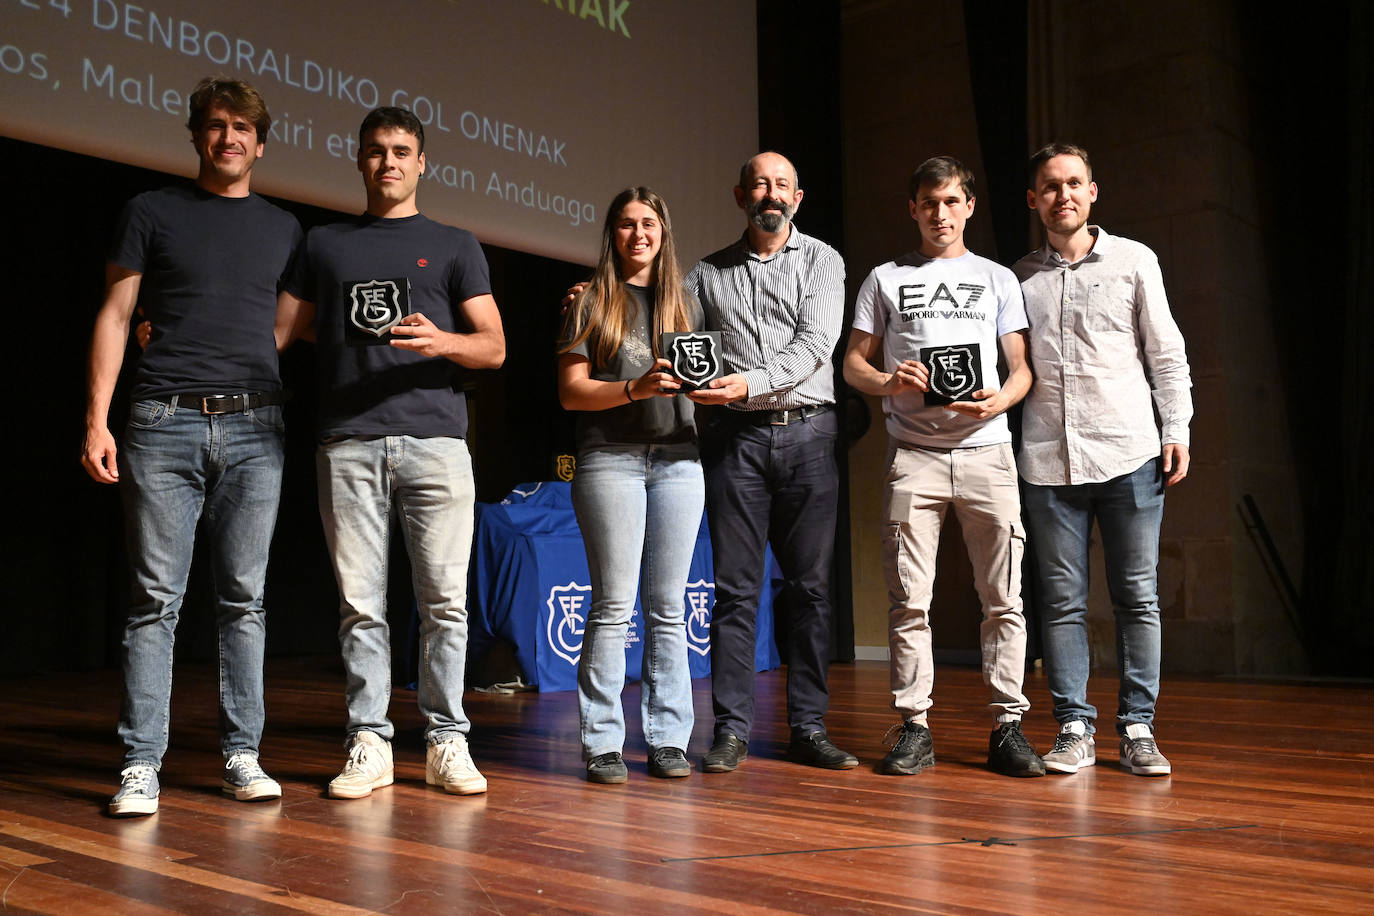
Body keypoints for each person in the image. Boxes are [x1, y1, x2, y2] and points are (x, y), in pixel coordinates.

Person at [83, 77, 302, 816]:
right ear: (196, 136)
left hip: (256, 425)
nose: (229, 137)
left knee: (244, 600)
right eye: (215, 125)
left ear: (261, 143)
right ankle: (141, 763)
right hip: (161, 421)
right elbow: (116, 317)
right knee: (154, 601)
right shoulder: (151, 211)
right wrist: (96, 419)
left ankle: (242, 755)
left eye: (243, 127)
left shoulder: (285, 228)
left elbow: (282, 329)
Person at [277, 107, 505, 798]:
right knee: (361, 605)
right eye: (375, 152)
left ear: (422, 162)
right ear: (358, 160)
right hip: (348, 443)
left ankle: (445, 740)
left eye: (402, 151)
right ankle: (369, 741)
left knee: (444, 603)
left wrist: (441, 342)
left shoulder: (456, 242)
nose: (389, 163)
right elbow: (282, 331)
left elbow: (493, 347)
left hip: (437, 442)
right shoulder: (324, 243)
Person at [843, 156, 1044, 778]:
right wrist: (887, 379)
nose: (940, 214)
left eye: (952, 202)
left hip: (988, 452)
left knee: (1004, 598)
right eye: (929, 203)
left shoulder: (996, 279)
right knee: (908, 601)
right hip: (914, 456)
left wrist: (999, 400)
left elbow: (1022, 370)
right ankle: (913, 727)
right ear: (914, 209)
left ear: (970, 207)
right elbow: (852, 364)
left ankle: (1007, 726)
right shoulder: (884, 277)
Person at [1015, 143, 1192, 776]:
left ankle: (1138, 728)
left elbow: (1165, 353)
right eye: (1049, 186)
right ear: (1033, 199)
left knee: (1137, 597)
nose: (1063, 195)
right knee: (1061, 602)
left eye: (1074, 184)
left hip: (1128, 451)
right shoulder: (1017, 278)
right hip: (1046, 461)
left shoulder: (1135, 261)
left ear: (1093, 192)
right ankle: (1072, 728)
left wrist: (1178, 427)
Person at [686, 152, 856, 772]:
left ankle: (808, 727)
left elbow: (816, 346)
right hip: (735, 440)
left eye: (782, 183)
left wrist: (748, 383)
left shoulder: (823, 260)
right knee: (734, 592)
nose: (771, 193)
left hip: (808, 434)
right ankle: (730, 729)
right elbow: (673, 334)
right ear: (740, 195)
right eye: (759, 183)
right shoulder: (705, 274)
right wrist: (597, 299)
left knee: (811, 591)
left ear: (798, 196)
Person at [557, 187, 705, 784]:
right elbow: (571, 392)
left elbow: (714, 377)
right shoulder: (588, 300)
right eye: (625, 224)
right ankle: (601, 743)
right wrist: (633, 389)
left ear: (664, 232)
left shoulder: (692, 304)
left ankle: (669, 740)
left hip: (680, 462)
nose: (638, 234)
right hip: (609, 460)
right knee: (614, 606)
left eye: (649, 223)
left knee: (669, 608)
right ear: (611, 234)